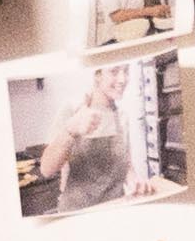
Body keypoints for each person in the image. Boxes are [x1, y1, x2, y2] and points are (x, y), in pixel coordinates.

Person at [32, 63, 138, 214]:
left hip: (114, 212)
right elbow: (46, 169)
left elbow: (127, 165)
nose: (123, 79)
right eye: (114, 71)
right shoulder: (73, 109)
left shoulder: (122, 117)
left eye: (126, 71)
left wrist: (136, 183)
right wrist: (71, 130)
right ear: (97, 75)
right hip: (77, 214)